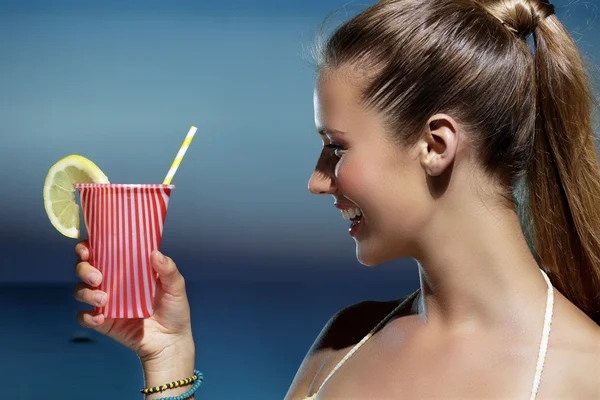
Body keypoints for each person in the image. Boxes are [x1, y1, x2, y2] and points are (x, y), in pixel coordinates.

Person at [72, 0, 600, 398]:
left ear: (435, 146)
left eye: (334, 148)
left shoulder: (584, 373)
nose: (317, 181)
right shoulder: (345, 341)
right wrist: (169, 361)